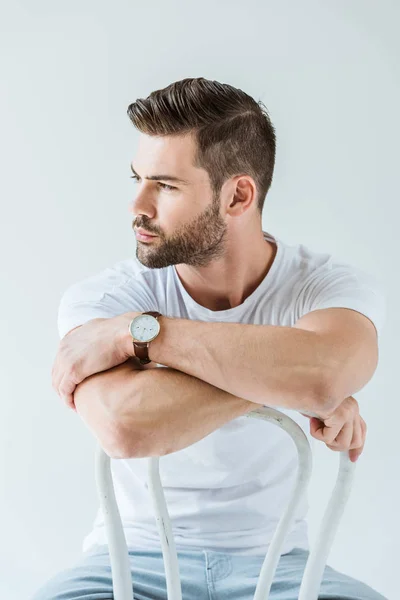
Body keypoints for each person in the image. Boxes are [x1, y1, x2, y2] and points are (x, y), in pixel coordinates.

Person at [33, 77, 387, 599]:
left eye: (166, 186)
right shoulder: (105, 298)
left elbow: (326, 372)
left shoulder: (327, 285)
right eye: (138, 179)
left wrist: (143, 336)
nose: (137, 204)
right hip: (130, 561)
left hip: (282, 567)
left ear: (238, 195)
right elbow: (126, 426)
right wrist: (294, 381)